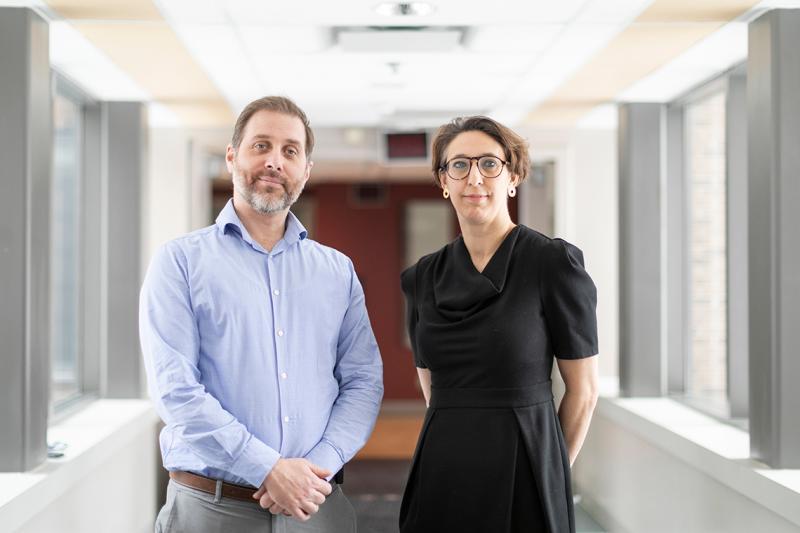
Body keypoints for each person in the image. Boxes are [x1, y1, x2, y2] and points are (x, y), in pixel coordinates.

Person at [140, 96, 383, 533]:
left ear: (305, 171)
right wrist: (268, 468)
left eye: (290, 151)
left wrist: (315, 468)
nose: (274, 161)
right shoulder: (180, 262)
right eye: (261, 146)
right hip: (211, 511)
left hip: (318, 508)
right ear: (232, 156)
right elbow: (175, 389)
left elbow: (363, 381)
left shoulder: (336, 271)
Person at [399, 116, 599, 532]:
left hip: (527, 464)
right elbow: (431, 384)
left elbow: (583, 392)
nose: (474, 177)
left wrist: (551, 472)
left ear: (513, 176)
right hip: (444, 463)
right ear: (443, 182)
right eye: (459, 165)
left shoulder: (552, 263)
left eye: (489, 163)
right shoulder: (422, 277)